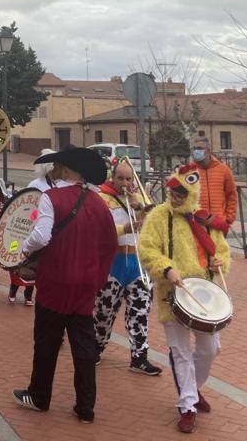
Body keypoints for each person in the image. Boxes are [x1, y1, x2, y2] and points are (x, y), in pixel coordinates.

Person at [12, 148, 117, 424]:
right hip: (85, 286)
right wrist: (97, 277)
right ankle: (85, 407)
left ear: (69, 171)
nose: (54, 169)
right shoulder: (99, 203)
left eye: (57, 165)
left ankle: (39, 396)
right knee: (83, 346)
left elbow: (40, 236)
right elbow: (109, 245)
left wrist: (22, 250)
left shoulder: (51, 198)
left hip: (55, 281)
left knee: (46, 342)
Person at [138, 163, 231, 434]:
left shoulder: (205, 220)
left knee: (211, 349)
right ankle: (188, 404)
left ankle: (193, 388)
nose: (175, 196)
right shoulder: (158, 216)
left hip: (204, 297)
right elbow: (147, 249)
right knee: (180, 352)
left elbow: (223, 251)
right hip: (172, 294)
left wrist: (219, 263)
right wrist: (167, 269)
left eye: (181, 193)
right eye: (173, 191)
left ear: (191, 194)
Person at [93, 160, 162, 375]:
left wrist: (140, 208)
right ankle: (96, 347)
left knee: (140, 312)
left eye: (129, 178)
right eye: (120, 178)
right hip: (112, 264)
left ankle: (139, 357)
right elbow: (101, 232)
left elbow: (152, 227)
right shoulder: (102, 199)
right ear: (112, 177)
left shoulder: (138, 198)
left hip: (137, 263)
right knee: (104, 313)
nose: (124, 182)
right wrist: (124, 227)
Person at [191, 137, 238, 225]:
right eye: (194, 148)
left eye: (199, 148)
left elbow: (231, 195)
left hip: (218, 223)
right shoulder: (189, 170)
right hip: (196, 224)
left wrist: (228, 219)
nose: (196, 151)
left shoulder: (224, 169)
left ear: (208, 151)